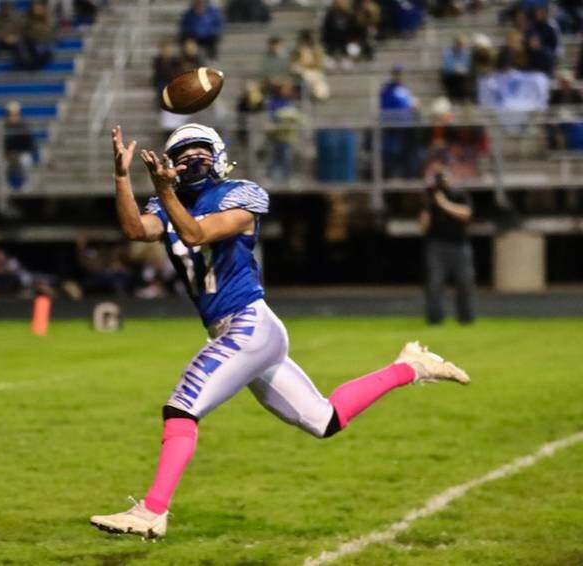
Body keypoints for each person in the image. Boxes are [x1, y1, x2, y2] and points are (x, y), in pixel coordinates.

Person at [89, 124, 470, 538]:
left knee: (182, 407)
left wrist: (164, 192)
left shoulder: (241, 193)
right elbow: (134, 230)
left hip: (248, 324)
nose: (190, 159)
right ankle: (409, 367)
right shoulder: (168, 202)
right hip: (235, 331)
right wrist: (122, 177)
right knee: (323, 420)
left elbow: (196, 234)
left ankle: (152, 511)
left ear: (218, 156)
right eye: (181, 154)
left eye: (199, 150)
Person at [418, 168, 475, 325]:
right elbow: (423, 226)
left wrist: (444, 204)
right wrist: (428, 206)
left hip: (459, 244)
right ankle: (435, 318)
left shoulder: (459, 195)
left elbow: (466, 214)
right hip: (436, 245)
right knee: (434, 283)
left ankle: (466, 318)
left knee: (464, 282)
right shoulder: (430, 200)